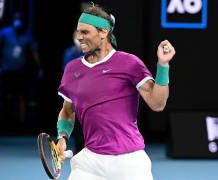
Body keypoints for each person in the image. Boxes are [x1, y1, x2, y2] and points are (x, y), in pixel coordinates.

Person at [56, 4, 175, 180]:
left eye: (85, 32)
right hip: (89, 162)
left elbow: (157, 104)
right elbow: (67, 110)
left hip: (129, 161)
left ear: (104, 33)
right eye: (78, 32)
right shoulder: (72, 69)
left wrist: (163, 66)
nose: (79, 37)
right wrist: (62, 136)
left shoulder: (129, 64)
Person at [0, 12, 43, 122]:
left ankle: (22, 121)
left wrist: (39, 66)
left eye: (20, 19)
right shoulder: (5, 32)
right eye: (16, 18)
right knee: (8, 95)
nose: (18, 21)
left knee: (22, 96)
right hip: (7, 69)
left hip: (21, 70)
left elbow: (34, 51)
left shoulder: (27, 35)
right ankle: (8, 119)